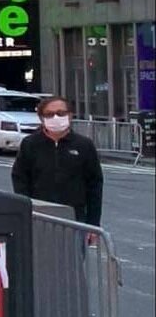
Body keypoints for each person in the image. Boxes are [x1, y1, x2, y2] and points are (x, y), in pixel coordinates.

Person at [12, 95, 102, 225]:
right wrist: (26, 211)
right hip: (38, 215)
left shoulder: (84, 145)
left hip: (75, 217)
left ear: (70, 115)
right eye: (49, 114)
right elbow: (20, 179)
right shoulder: (30, 144)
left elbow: (95, 186)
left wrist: (93, 223)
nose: (56, 118)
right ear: (41, 118)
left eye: (61, 113)